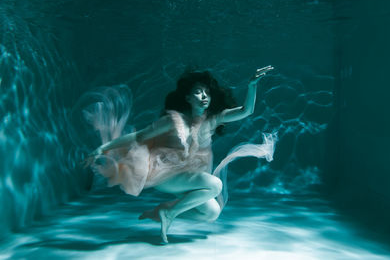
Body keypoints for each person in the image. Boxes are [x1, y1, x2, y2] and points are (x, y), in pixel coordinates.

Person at [85, 66, 275, 244]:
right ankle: (170, 214)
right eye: (198, 92)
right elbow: (139, 136)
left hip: (186, 178)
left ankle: (161, 212)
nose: (204, 96)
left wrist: (252, 85)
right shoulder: (173, 121)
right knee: (215, 184)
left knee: (211, 212)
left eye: (207, 93)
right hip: (165, 176)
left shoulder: (214, 119)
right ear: (187, 98)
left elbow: (246, 111)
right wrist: (103, 148)